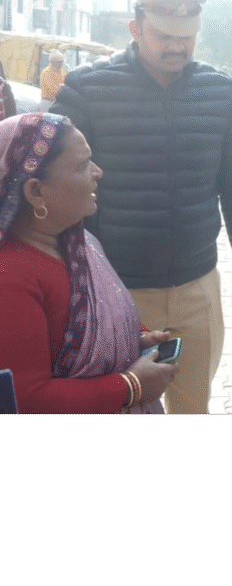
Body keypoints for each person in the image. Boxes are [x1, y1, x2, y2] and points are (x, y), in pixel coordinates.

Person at [49, 0, 232, 414]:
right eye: (165, 36)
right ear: (136, 29)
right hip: (114, 286)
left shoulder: (218, 91)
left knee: (193, 406)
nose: (177, 46)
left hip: (197, 286)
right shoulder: (89, 88)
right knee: (121, 409)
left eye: (186, 37)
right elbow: (54, 178)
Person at [0, 112, 177, 413]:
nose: (98, 172)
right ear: (36, 192)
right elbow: (26, 398)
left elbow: (93, 321)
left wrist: (136, 339)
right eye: (83, 165)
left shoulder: (81, 244)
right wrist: (131, 386)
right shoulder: (10, 277)